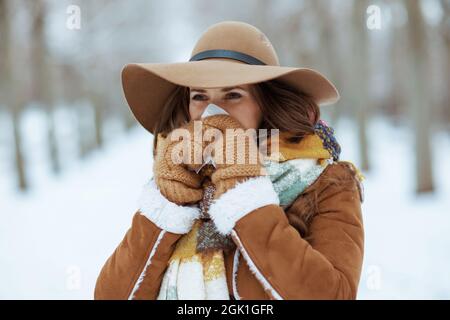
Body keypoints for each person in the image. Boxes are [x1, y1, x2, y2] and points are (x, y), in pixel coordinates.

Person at [94, 21, 365, 300]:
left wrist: (244, 191)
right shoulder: (177, 181)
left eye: (233, 95)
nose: (213, 111)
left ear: (267, 103)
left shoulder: (327, 182)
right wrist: (167, 206)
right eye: (199, 96)